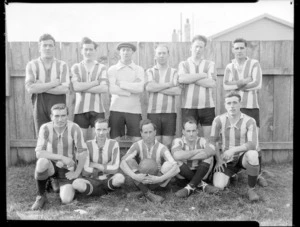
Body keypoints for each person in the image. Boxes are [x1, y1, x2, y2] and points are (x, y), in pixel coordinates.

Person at [223, 38, 267, 187]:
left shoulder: (254, 63)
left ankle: (258, 174)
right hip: (234, 108)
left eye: (242, 48)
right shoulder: (230, 66)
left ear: (246, 49)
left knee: (255, 143)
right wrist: (246, 80)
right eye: (237, 48)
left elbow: (257, 84)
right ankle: (234, 171)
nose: (239, 50)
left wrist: (237, 86)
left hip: (251, 107)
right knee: (233, 139)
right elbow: (225, 86)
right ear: (233, 50)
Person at [31, 103, 88, 210]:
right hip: (51, 164)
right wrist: (61, 157)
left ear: (68, 116)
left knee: (66, 200)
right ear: (51, 116)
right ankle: (41, 196)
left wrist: (76, 173)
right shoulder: (45, 128)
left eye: (63, 115)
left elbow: (82, 152)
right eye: (57, 116)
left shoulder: (75, 128)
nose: (60, 119)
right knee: (42, 162)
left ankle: (56, 182)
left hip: (67, 168)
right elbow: (39, 153)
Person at [210, 91, 262, 202]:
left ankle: (251, 190)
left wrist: (233, 150)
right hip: (226, 160)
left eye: (235, 102)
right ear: (225, 105)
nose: (232, 106)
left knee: (253, 154)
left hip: (242, 157)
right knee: (219, 186)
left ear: (240, 104)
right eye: (229, 103)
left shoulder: (250, 121)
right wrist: (219, 160)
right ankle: (233, 175)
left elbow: (252, 144)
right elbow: (213, 141)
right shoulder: (218, 120)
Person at [120, 119, 180, 203]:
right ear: (141, 133)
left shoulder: (162, 148)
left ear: (155, 132)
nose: (148, 135)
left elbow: (176, 168)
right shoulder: (137, 145)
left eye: (150, 132)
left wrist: (159, 179)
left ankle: (143, 192)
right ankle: (149, 194)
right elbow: (122, 163)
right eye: (145, 132)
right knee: (129, 161)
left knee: (168, 164)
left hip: (157, 180)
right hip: (140, 179)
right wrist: (135, 176)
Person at [25, 33, 70, 136]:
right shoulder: (32, 65)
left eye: (50, 45)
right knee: (42, 134)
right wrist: (53, 83)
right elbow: (30, 88)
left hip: (57, 101)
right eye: (44, 45)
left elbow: (65, 89)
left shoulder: (62, 65)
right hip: (39, 102)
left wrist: (41, 87)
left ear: (54, 48)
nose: (47, 48)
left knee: (59, 134)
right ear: (39, 47)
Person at [72, 118, 125, 196]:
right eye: (98, 129)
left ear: (108, 130)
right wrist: (107, 167)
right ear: (94, 130)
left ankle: (99, 190)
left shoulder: (114, 144)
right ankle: (102, 190)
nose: (101, 133)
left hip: (107, 178)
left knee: (120, 178)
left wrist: (96, 165)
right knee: (76, 184)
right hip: (91, 179)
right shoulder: (87, 144)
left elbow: (115, 168)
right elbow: (85, 170)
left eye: (104, 129)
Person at [177, 35, 217, 139]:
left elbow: (211, 83)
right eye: (196, 46)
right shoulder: (184, 64)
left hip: (207, 106)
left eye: (201, 47)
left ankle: (209, 156)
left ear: (204, 49)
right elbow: (182, 79)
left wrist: (191, 78)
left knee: (209, 138)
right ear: (191, 47)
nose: (198, 49)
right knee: (188, 138)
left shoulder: (210, 64)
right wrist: (202, 75)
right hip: (188, 107)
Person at [171, 117, 219, 198]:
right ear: (183, 132)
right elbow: (176, 155)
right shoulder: (178, 141)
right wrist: (198, 151)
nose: (191, 134)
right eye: (188, 131)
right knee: (177, 161)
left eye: (193, 131)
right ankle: (203, 185)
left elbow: (212, 150)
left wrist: (186, 156)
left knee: (209, 157)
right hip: (183, 176)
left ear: (197, 131)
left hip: (201, 173)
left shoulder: (203, 140)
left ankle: (189, 188)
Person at [71, 37, 109, 141]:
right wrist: (95, 83)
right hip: (80, 110)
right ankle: (80, 158)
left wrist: (82, 88)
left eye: (91, 49)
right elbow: (75, 87)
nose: (88, 52)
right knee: (79, 141)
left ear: (95, 51)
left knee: (98, 141)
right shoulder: (76, 67)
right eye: (85, 49)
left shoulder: (101, 67)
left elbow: (104, 88)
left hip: (98, 109)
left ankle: (95, 158)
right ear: (81, 51)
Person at [145, 44, 181, 149]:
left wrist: (157, 87)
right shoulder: (150, 71)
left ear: (168, 55)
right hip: (153, 112)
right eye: (159, 53)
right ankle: (155, 164)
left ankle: (166, 164)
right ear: (155, 56)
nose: (161, 55)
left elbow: (177, 91)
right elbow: (149, 88)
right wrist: (169, 84)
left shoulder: (174, 71)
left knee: (167, 143)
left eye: (164, 53)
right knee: (154, 142)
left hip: (170, 112)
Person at [107, 42, 145, 142]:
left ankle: (134, 158)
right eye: (123, 50)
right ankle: (115, 158)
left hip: (134, 110)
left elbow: (140, 89)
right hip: (116, 109)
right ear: (119, 52)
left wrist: (121, 84)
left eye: (128, 50)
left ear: (132, 52)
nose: (125, 52)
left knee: (137, 140)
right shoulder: (112, 69)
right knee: (114, 140)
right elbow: (112, 89)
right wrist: (130, 90)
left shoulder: (139, 69)